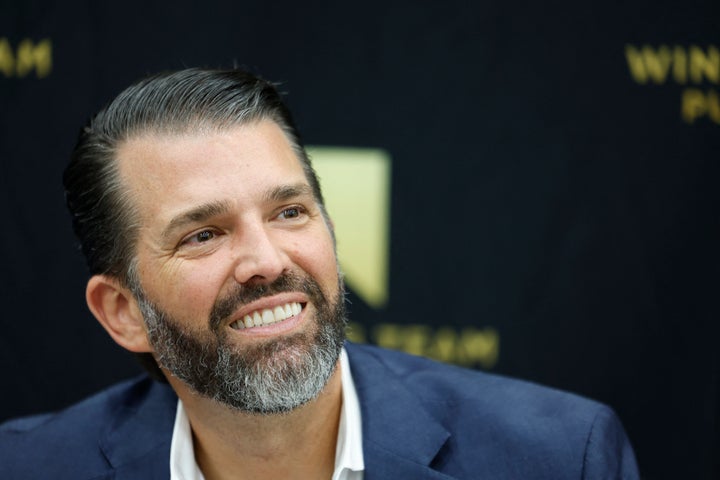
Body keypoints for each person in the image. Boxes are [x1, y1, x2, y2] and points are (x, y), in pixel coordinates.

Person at [0, 68, 640, 479]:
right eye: (203, 235)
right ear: (124, 312)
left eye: (289, 211)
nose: (269, 261)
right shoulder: (26, 467)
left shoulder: (557, 458)